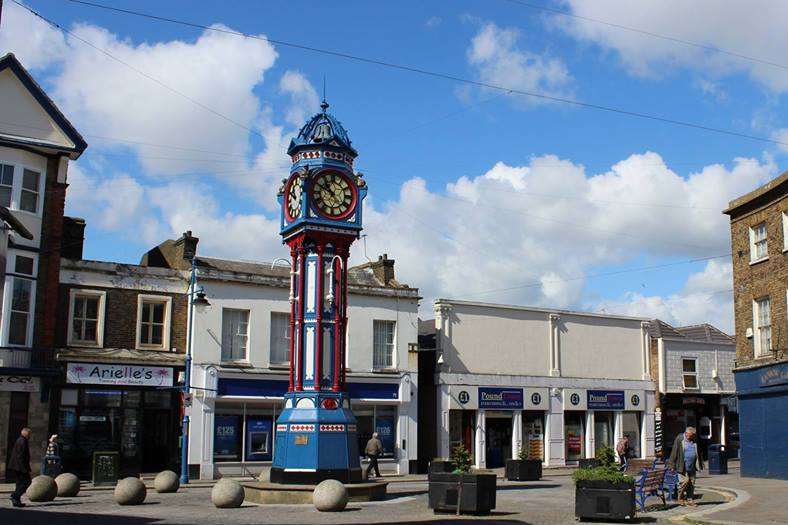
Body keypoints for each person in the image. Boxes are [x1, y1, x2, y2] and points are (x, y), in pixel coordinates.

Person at [667, 426, 704, 506]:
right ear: (686, 433)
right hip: (682, 466)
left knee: (692, 483)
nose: (690, 437)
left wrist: (700, 464)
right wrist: (671, 465)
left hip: (692, 466)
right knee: (684, 482)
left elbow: (698, 452)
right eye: (689, 435)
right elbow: (674, 452)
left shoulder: (694, 440)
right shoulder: (680, 439)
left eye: (692, 436)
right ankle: (680, 498)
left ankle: (690, 500)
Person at [8, 427, 32, 508]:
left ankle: (16, 501)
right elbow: (20, 456)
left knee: (19, 483)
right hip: (20, 467)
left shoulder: (20, 440)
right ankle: (15, 496)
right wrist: (24, 469)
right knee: (27, 482)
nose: (30, 436)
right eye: (29, 434)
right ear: (26, 433)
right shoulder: (23, 441)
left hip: (17, 466)